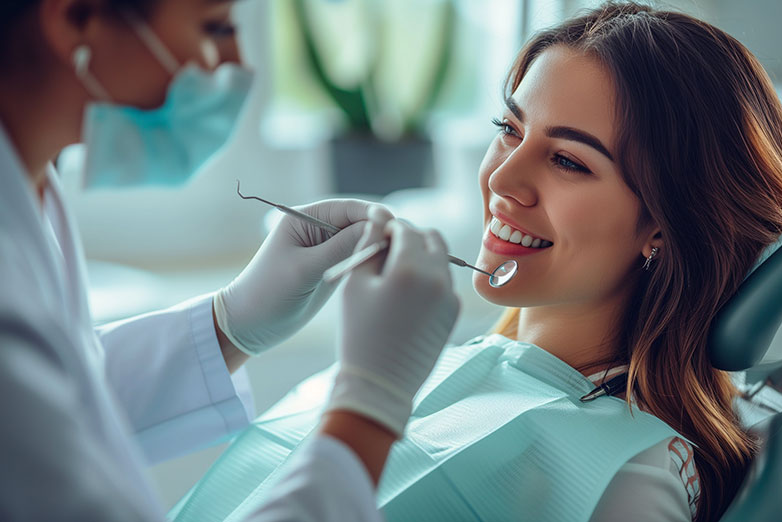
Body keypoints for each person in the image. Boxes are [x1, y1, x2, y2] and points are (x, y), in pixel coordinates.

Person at [162, 3, 782, 522]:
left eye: (568, 161)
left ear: (666, 224)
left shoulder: (632, 478)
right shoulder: (457, 366)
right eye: (509, 127)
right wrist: (229, 324)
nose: (504, 180)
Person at [0, 0, 459, 520]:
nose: (240, 63)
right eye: (214, 27)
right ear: (75, 18)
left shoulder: (30, 186)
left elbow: (62, 396)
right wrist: (371, 404)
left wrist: (227, 325)